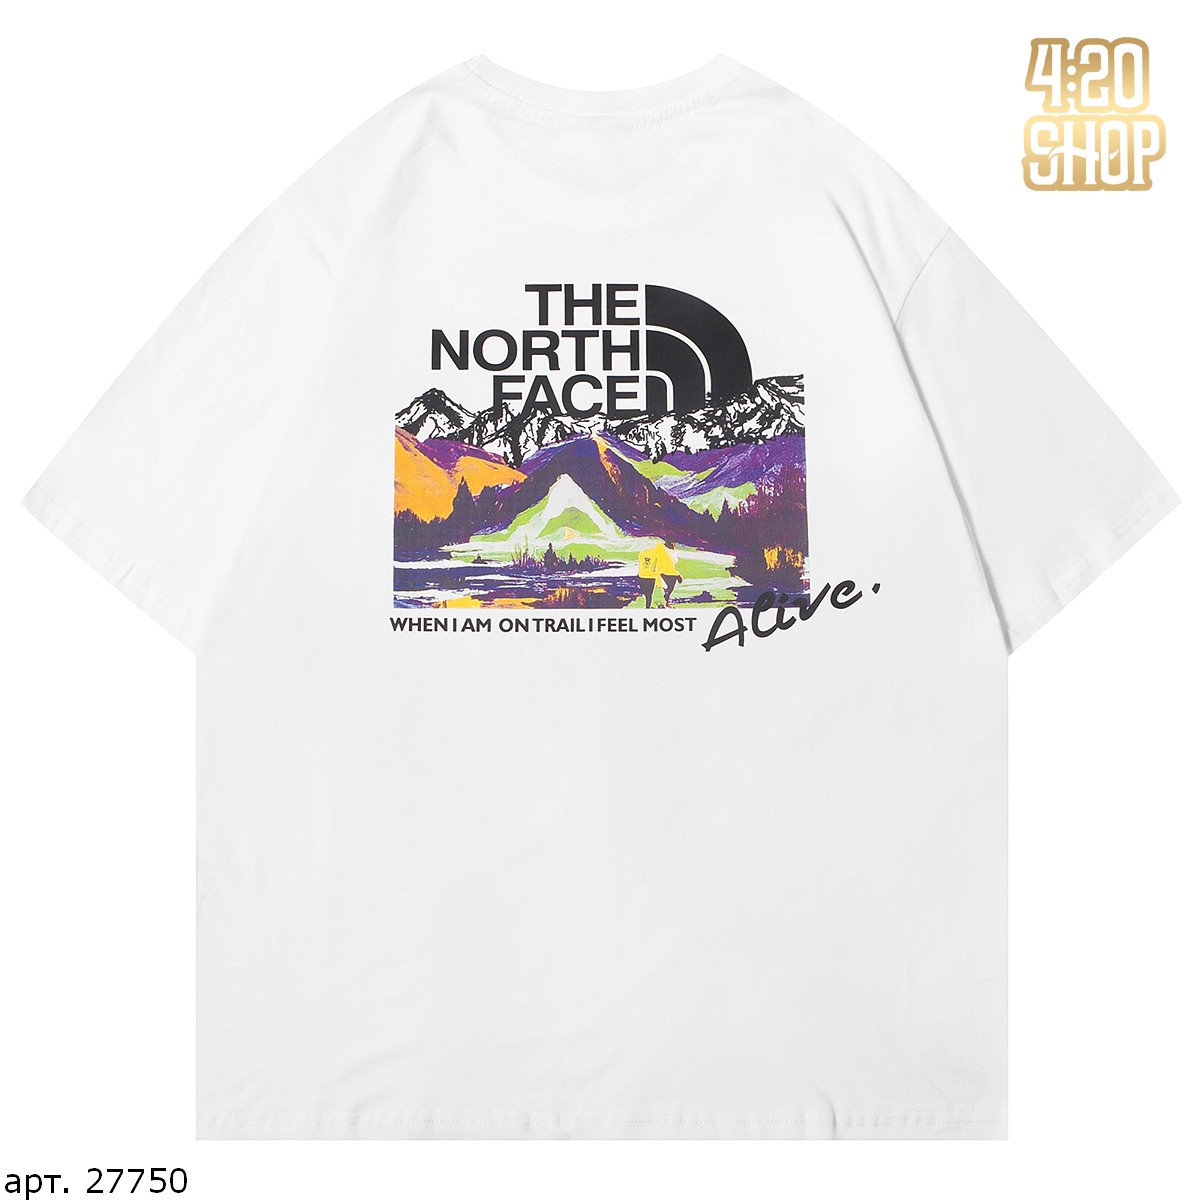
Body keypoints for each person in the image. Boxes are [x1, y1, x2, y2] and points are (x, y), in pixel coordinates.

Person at [636, 542, 660, 608]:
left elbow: (640, 562)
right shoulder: (657, 553)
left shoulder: (642, 553)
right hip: (651, 577)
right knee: (649, 595)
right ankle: (648, 607)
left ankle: (647, 606)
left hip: (641, 576)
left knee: (645, 593)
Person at [659, 539, 682, 607]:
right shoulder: (667, 551)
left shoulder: (667, 550)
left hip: (666, 572)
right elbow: (674, 561)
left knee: (667, 589)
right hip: (668, 573)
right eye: (674, 543)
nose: (675, 545)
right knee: (669, 589)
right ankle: (665, 602)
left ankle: (666, 602)